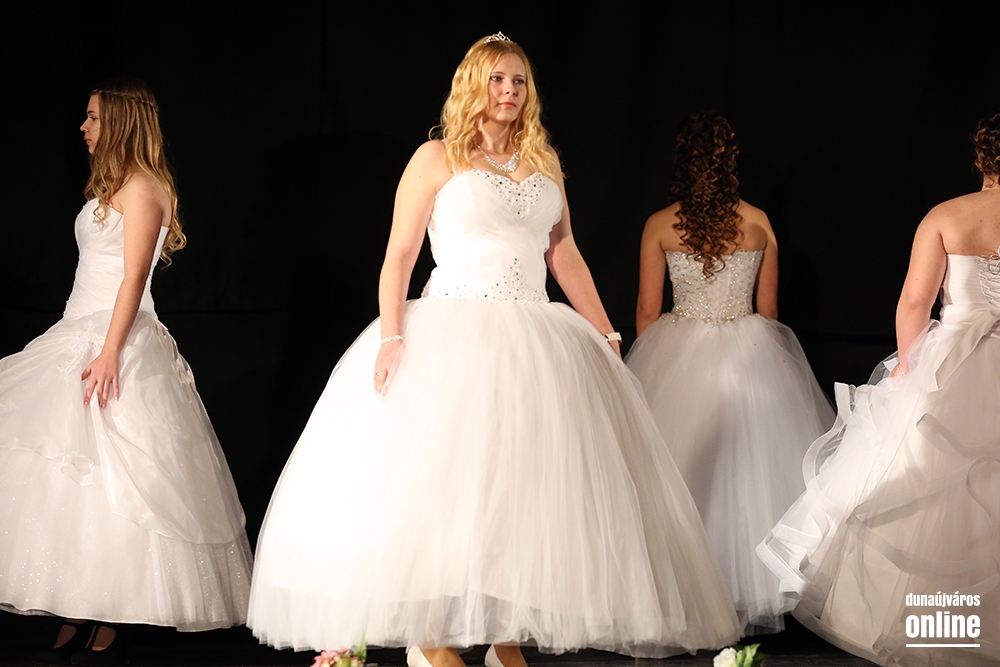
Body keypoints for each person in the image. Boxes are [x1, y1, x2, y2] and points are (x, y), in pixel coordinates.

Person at [247, 34, 741, 667]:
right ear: (473, 86)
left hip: (535, 336)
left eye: (519, 80)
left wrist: (606, 330)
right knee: (446, 484)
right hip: (453, 333)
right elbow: (399, 255)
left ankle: (503, 634)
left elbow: (563, 252)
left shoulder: (544, 161)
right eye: (497, 79)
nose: (509, 91)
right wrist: (392, 335)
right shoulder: (437, 158)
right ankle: (432, 636)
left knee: (523, 486)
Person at [0, 79, 252, 663]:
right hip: (76, 327)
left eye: (92, 117)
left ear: (118, 121)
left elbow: (133, 277)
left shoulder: (142, 188)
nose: (83, 127)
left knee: (116, 473)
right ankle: (76, 605)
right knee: (69, 470)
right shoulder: (111, 186)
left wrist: (111, 350)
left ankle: (105, 613)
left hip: (117, 334)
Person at [757, 113, 1000, 666]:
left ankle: (935, 629)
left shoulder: (948, 215)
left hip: (952, 365)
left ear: (981, 158)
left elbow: (914, 302)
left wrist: (910, 370)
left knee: (925, 491)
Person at [624, 111, 834, 634]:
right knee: (751, 476)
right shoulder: (758, 223)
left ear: (682, 162)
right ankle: (746, 589)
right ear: (729, 163)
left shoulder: (660, 224)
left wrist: (651, 370)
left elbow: (648, 311)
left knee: (680, 472)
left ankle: (684, 596)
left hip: (677, 350)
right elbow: (769, 312)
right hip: (750, 354)